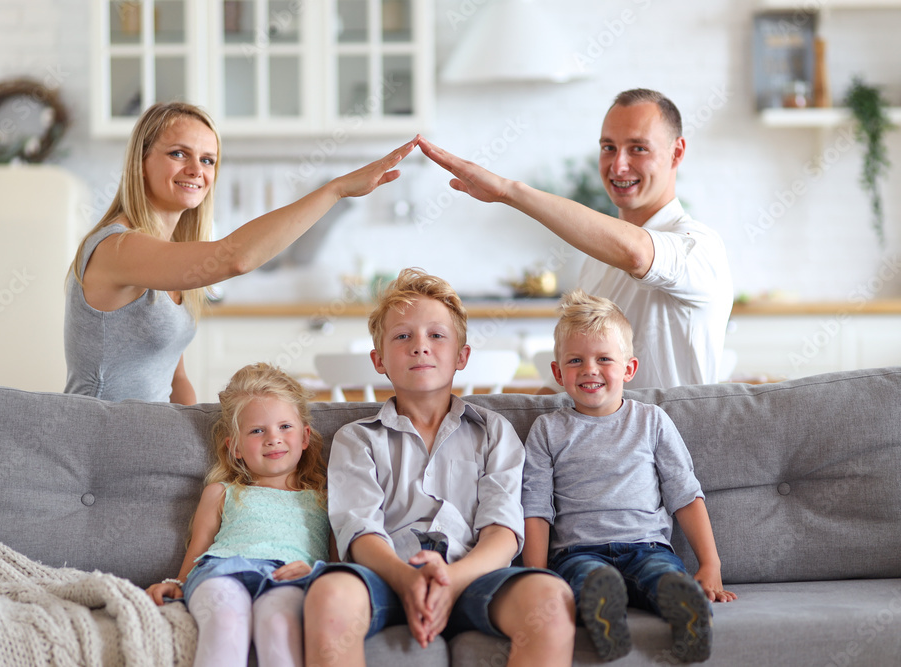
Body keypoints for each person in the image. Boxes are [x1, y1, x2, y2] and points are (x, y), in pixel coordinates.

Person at [304, 268, 575, 667]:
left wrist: (452, 582)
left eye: (436, 335)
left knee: (552, 600)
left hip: (474, 576)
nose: (420, 347)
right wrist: (405, 578)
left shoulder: (494, 432)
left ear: (462, 356)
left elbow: (501, 531)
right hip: (386, 574)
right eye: (402, 336)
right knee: (329, 596)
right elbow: (359, 531)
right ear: (378, 360)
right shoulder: (356, 439)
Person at [65, 102, 417, 403]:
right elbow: (236, 258)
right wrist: (335, 190)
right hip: (99, 445)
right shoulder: (117, 247)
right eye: (178, 153)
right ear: (141, 161)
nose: (196, 170)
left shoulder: (170, 257)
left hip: (149, 441)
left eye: (208, 160)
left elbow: (176, 381)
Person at [418, 88, 732, 390]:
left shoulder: (700, 247)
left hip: (678, 442)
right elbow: (578, 382)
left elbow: (637, 253)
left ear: (676, 153)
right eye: (608, 147)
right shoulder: (595, 264)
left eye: (638, 148)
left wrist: (509, 192)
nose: (618, 165)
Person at [521, 289, 736, 663]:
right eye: (576, 360)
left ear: (628, 369)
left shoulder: (651, 421)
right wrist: (535, 578)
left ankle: (687, 613)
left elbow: (684, 493)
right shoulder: (547, 430)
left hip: (647, 546)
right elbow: (535, 508)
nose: (590, 369)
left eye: (604, 358)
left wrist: (710, 564)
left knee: (662, 577)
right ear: (557, 373)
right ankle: (607, 620)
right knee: (587, 580)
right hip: (578, 552)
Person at [146, 362, 330, 667]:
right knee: (226, 619)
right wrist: (176, 582)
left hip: (289, 579)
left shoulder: (324, 499)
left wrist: (316, 572)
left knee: (279, 623)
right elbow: (198, 550)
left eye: (285, 426)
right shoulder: (220, 492)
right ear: (236, 448)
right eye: (257, 431)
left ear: (305, 436)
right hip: (221, 573)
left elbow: (339, 563)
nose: (273, 438)